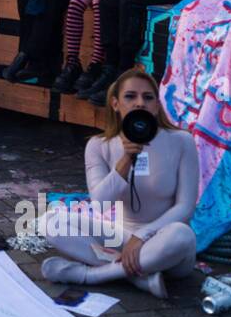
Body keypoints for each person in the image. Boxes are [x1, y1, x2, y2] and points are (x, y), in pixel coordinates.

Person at [42, 68, 199, 298]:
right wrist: (126, 159)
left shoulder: (182, 141)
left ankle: (92, 275)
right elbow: (100, 205)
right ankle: (138, 277)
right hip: (120, 241)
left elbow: (185, 208)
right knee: (50, 221)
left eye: (148, 97)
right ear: (115, 104)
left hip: (165, 247)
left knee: (183, 234)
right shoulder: (98, 145)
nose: (139, 103)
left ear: (156, 105)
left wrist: (143, 236)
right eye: (130, 96)